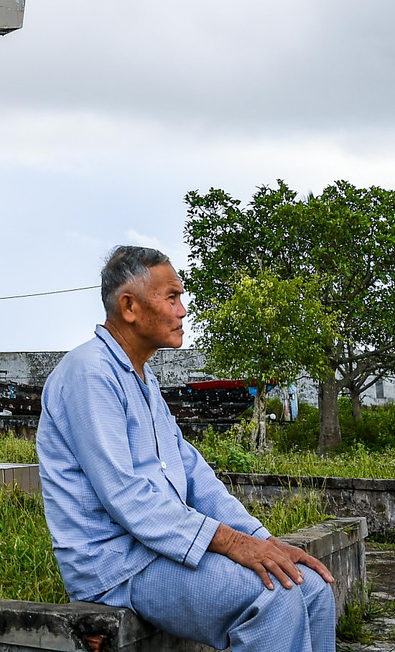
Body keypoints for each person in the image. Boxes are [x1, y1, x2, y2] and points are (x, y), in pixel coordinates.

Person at [38, 245, 336, 652]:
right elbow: (127, 497)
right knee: (274, 596)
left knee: (310, 587)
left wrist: (262, 540)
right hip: (119, 566)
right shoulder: (89, 373)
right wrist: (233, 543)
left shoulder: (142, 379)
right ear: (129, 306)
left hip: (159, 550)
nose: (182, 312)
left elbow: (193, 473)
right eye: (172, 298)